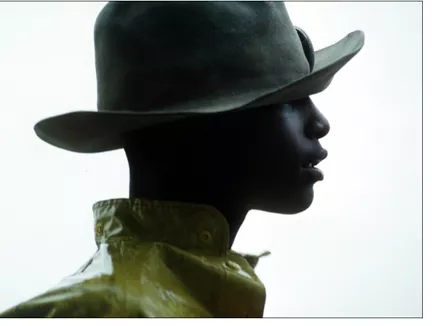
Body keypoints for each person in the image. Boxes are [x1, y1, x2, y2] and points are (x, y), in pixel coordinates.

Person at [0, 1, 364, 318]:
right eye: (290, 100)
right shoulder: (98, 313)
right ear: (205, 123)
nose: (319, 123)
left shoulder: (190, 297)